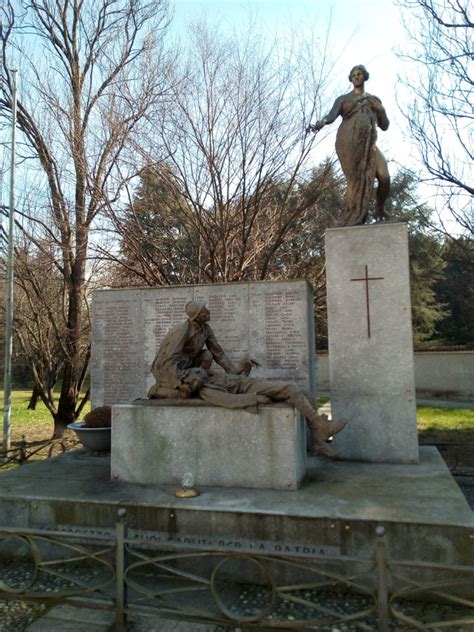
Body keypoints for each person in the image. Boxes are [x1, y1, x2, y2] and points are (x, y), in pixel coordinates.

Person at [148, 301, 346, 458]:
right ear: (197, 315)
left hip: (204, 376)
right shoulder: (182, 331)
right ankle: (321, 426)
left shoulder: (206, 330)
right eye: (204, 309)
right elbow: (166, 360)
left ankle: (319, 443)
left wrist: (238, 370)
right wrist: (178, 384)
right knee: (291, 389)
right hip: (177, 374)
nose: (208, 310)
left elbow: (219, 354)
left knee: (304, 392)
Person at [308, 64, 390, 225]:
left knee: (384, 176)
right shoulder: (343, 99)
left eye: (359, 74)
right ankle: (352, 215)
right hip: (349, 143)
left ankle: (380, 209)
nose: (356, 77)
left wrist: (380, 109)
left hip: (369, 145)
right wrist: (321, 122)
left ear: (365, 76)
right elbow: (330, 117)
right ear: (351, 79)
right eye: (353, 75)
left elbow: (385, 126)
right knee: (354, 180)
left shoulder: (374, 100)